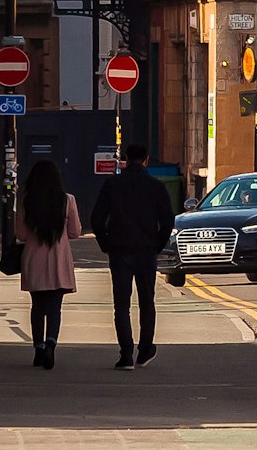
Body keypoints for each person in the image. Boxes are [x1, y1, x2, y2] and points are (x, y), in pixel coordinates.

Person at [90, 143, 176, 370]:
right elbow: (168, 220)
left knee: (122, 304)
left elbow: (97, 218)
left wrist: (105, 242)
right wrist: (157, 244)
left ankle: (125, 354)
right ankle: (145, 349)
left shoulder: (112, 184)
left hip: (119, 249)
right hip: (146, 250)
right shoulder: (155, 186)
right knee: (147, 301)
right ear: (146, 159)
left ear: (126, 159)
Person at [16, 158, 82, 370]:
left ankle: (38, 347)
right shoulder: (67, 200)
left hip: (34, 259)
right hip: (58, 260)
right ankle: (51, 343)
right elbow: (75, 232)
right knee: (55, 307)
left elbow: (21, 234)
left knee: (37, 306)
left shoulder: (26, 200)